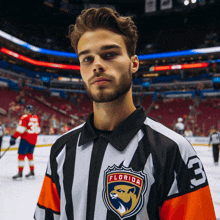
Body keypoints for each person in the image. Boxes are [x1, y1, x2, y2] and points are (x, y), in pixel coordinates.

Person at [34, 7, 216, 220]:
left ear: (134, 63)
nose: (97, 65)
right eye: (87, 59)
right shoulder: (61, 150)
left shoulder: (174, 151)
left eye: (109, 54)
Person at [10, 105, 40, 179]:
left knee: (21, 155)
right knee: (30, 155)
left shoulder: (25, 117)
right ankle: (32, 171)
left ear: (28, 110)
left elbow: (21, 129)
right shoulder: (36, 118)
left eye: (26, 109)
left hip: (26, 139)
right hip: (33, 140)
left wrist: (14, 137)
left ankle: (20, 173)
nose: (25, 110)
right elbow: (38, 130)